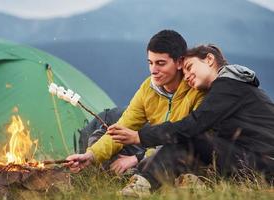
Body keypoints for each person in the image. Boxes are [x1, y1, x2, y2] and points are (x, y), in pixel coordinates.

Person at [109, 44, 274, 197]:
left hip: (264, 166)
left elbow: (191, 126)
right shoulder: (232, 87)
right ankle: (190, 183)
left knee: (188, 137)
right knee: (192, 143)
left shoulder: (229, 85)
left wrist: (140, 136)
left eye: (189, 67)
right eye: (184, 74)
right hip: (254, 161)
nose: (186, 77)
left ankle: (141, 187)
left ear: (209, 59)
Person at [65, 30, 205, 174]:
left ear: (179, 62)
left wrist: (138, 157)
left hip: (180, 155)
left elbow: (188, 139)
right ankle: (115, 174)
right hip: (151, 145)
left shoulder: (196, 89)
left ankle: (135, 175)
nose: (153, 70)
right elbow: (124, 125)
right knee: (102, 134)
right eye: (150, 63)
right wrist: (91, 156)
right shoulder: (148, 89)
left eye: (161, 63)